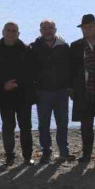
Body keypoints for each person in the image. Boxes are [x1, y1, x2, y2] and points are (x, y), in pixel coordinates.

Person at [0, 22, 36, 166]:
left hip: (23, 95)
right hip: (5, 96)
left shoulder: (27, 49)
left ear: (18, 34)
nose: (11, 33)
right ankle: (10, 156)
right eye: (8, 30)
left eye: (14, 31)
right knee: (8, 127)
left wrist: (17, 83)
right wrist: (4, 84)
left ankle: (28, 156)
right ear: (3, 32)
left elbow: (31, 72)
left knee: (25, 127)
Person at [69, 14, 95, 163]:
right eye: (85, 27)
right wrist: (71, 90)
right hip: (84, 90)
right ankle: (86, 154)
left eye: (91, 26)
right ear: (82, 29)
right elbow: (71, 70)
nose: (88, 30)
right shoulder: (75, 46)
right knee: (86, 125)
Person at [30, 19, 72, 163]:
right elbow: (31, 69)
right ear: (40, 30)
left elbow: (70, 68)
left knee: (62, 123)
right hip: (43, 91)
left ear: (55, 29)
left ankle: (64, 150)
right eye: (44, 28)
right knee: (43, 124)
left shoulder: (64, 46)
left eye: (50, 28)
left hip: (61, 91)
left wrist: (69, 87)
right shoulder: (34, 47)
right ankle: (46, 151)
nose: (47, 30)